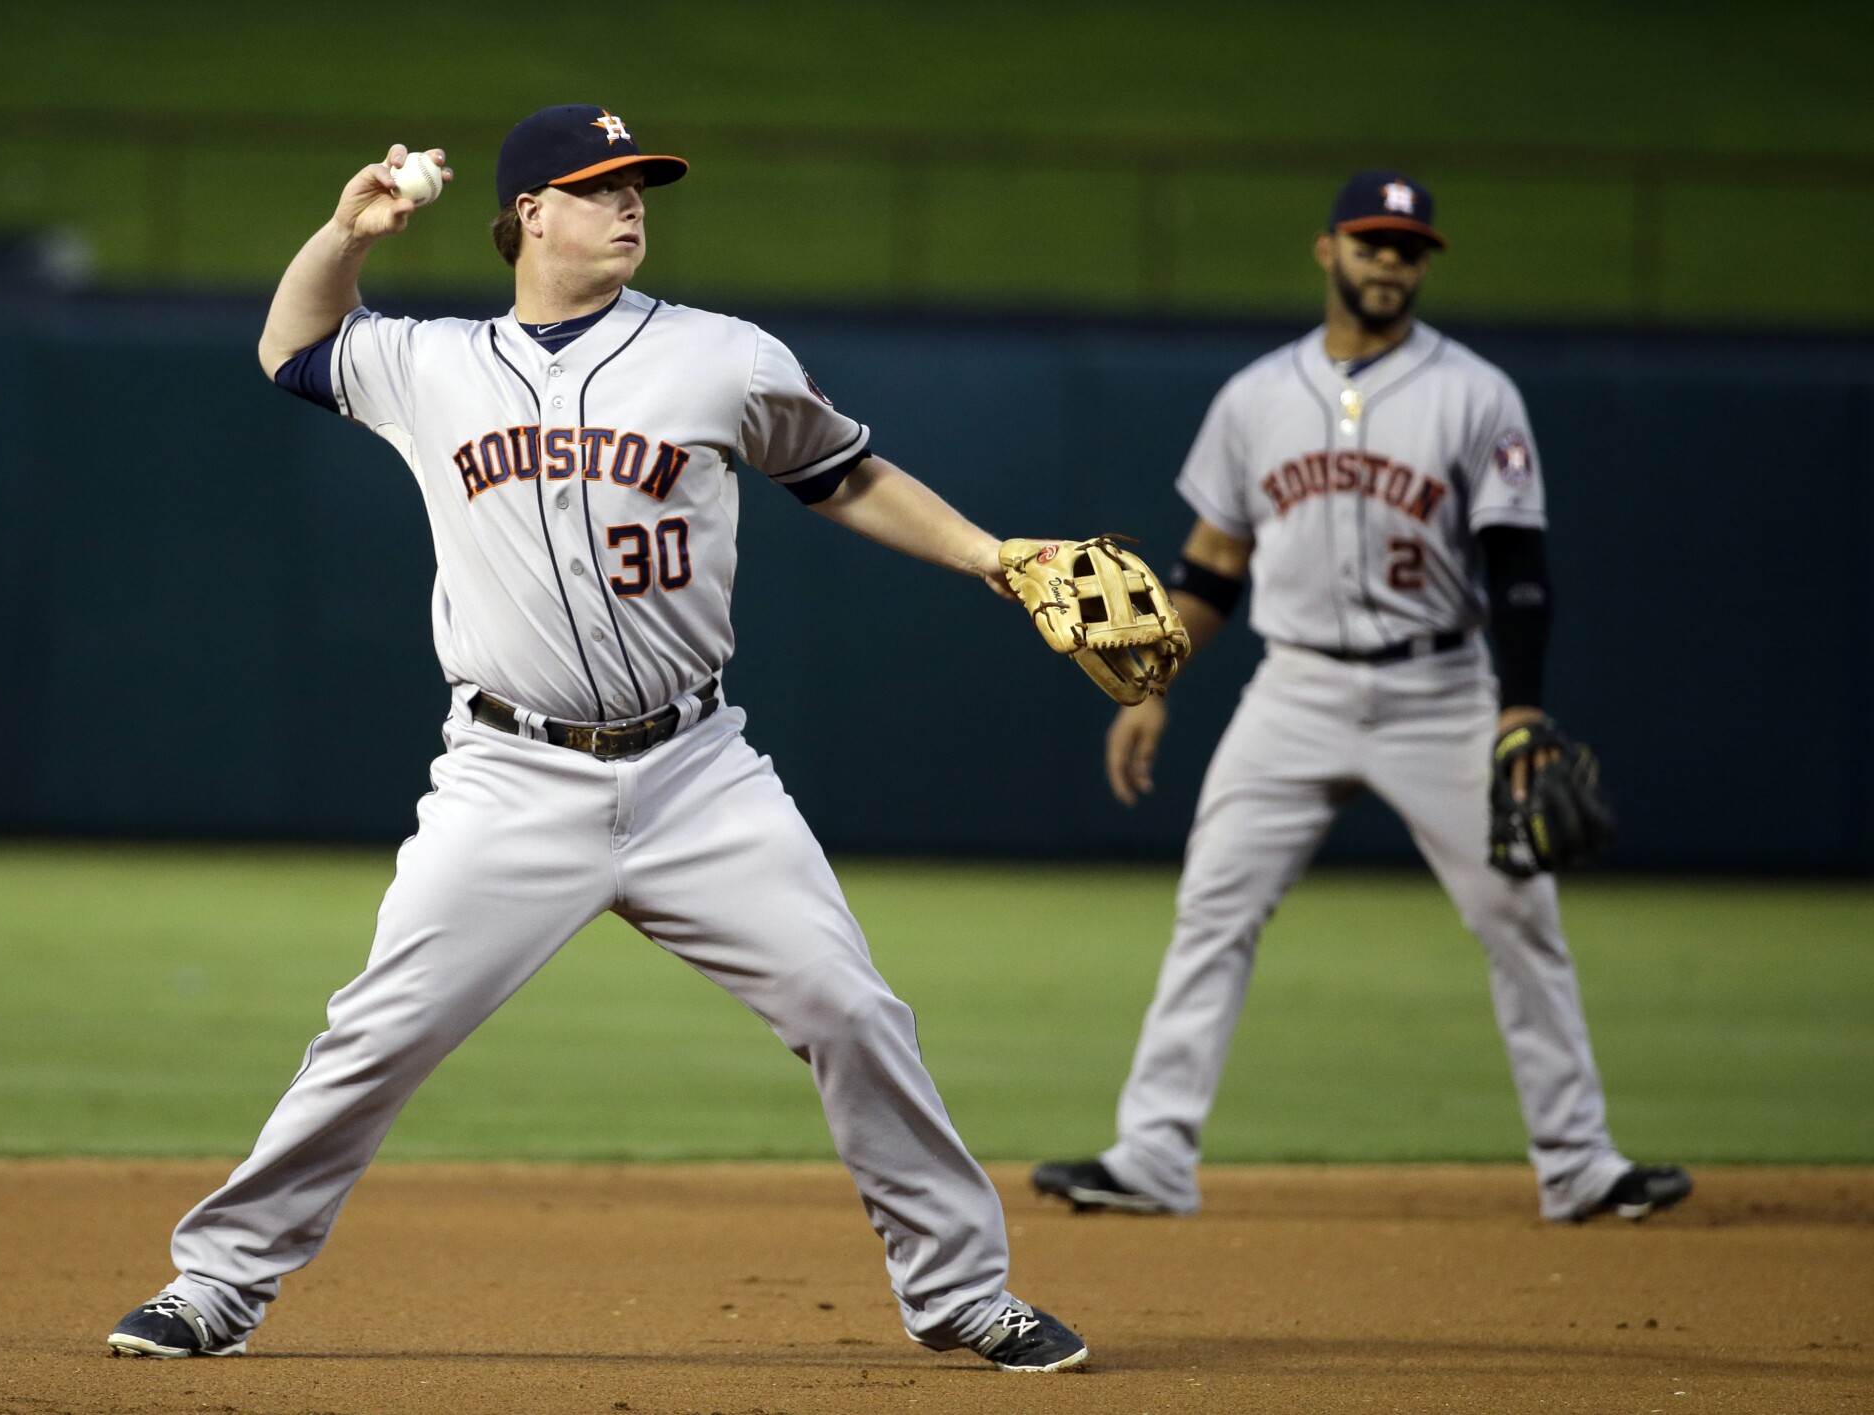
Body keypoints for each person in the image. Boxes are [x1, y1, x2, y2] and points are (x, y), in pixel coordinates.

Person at [106, 104, 1087, 1374]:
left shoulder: (721, 356)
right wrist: (345, 234)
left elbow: (844, 471)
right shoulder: (431, 362)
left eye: (640, 187)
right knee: (377, 1032)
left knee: (853, 1010)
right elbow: (291, 346)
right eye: (598, 186)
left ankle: (961, 1293)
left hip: (697, 772)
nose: (630, 205)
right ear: (526, 215)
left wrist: (993, 559)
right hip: (509, 774)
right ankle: (217, 1282)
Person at [1032, 172, 1691, 1225]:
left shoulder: (1475, 393)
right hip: (1292, 688)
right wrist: (1149, 685)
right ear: (1324, 250)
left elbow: (1516, 566)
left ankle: (1578, 1166)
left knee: (1519, 916)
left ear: (1424, 263)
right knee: (1213, 905)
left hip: (1439, 688)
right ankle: (1151, 1154)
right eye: (1371, 242)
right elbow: (1209, 570)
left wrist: (1517, 707)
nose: (1390, 261)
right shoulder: (1254, 396)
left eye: (1409, 247)